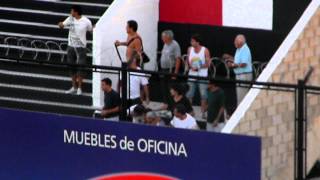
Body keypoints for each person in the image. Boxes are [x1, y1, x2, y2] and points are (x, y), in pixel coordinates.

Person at [58, 5, 93, 95]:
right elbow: (62, 25)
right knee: (71, 67)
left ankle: (80, 88)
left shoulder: (86, 21)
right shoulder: (70, 19)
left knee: (81, 67)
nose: (71, 12)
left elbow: (91, 30)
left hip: (81, 47)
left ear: (76, 12)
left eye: (72, 11)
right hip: (71, 46)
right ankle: (74, 87)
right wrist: (60, 24)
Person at [186, 34, 211, 118]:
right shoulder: (190, 49)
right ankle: (189, 112)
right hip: (192, 74)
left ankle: (203, 113)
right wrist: (191, 67)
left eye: (193, 41)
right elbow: (188, 61)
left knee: (203, 95)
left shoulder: (205, 50)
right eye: (191, 41)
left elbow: (208, 64)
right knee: (189, 94)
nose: (191, 42)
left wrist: (199, 67)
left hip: (202, 75)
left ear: (197, 42)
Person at [227, 34, 253, 105]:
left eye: (236, 41)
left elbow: (244, 64)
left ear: (241, 42)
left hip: (244, 76)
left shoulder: (245, 49)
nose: (234, 42)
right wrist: (231, 59)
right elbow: (238, 61)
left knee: (242, 98)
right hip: (240, 75)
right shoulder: (239, 49)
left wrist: (232, 65)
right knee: (240, 97)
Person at [159, 30, 182, 102]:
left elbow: (178, 59)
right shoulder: (165, 44)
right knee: (164, 87)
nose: (162, 38)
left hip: (171, 69)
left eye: (163, 37)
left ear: (168, 37)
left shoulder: (175, 45)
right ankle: (166, 103)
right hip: (163, 69)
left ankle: (172, 104)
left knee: (171, 88)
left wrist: (175, 73)